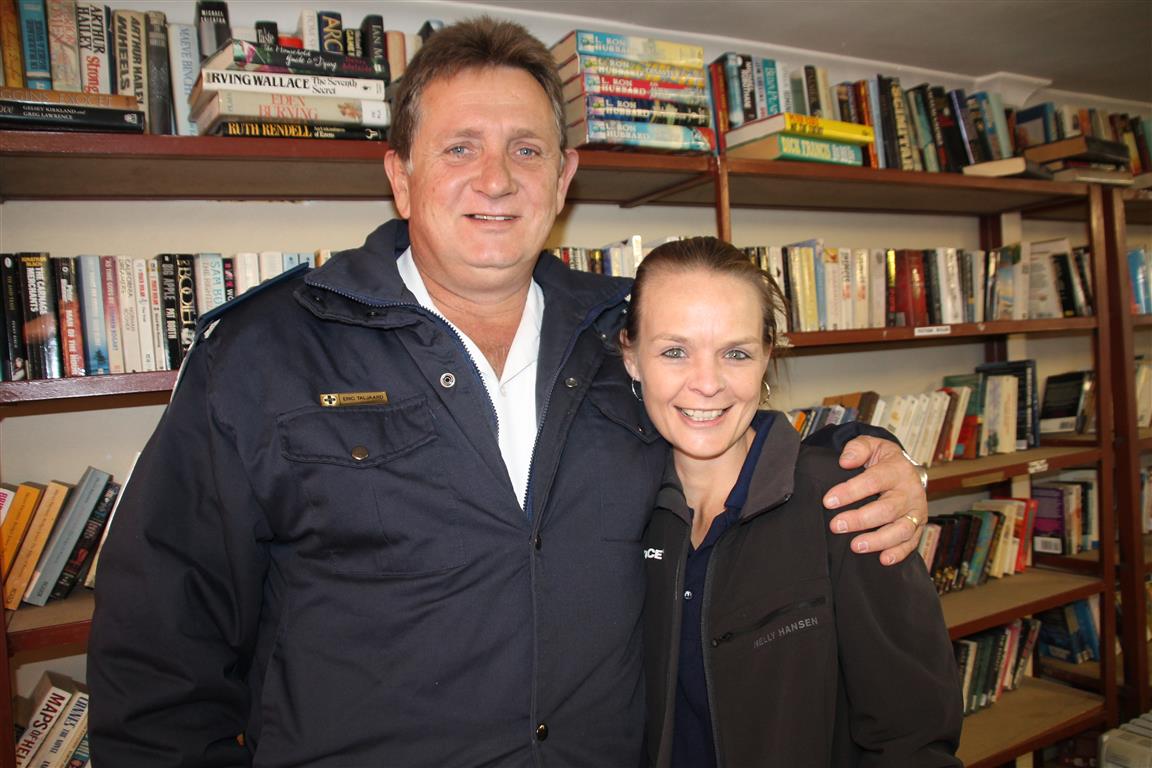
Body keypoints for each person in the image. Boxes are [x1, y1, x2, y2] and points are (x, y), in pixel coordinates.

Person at [88, 17, 931, 767]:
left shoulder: (621, 336)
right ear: (400, 176)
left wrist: (865, 459)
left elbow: (727, 421)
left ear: (563, 179)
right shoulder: (264, 356)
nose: (496, 179)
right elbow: (160, 654)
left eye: (526, 150)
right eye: (460, 147)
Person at [620, 236, 961, 767]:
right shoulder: (616, 510)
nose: (707, 384)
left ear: (766, 359)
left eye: (735, 353)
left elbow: (913, 738)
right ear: (631, 357)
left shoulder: (849, 504)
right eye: (674, 351)